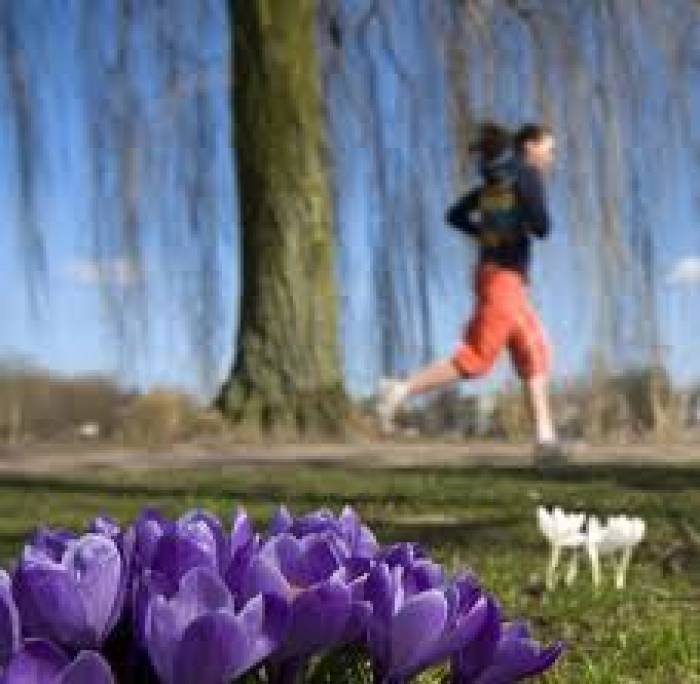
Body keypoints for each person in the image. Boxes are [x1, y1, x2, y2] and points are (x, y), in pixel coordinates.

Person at [376, 122, 562, 460]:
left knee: (535, 352)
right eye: (550, 149)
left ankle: (546, 442)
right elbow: (543, 226)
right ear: (530, 145)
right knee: (478, 359)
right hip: (503, 280)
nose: (552, 157)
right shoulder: (527, 175)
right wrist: (518, 223)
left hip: (499, 278)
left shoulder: (493, 183)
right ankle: (401, 390)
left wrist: (484, 232)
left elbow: (454, 215)